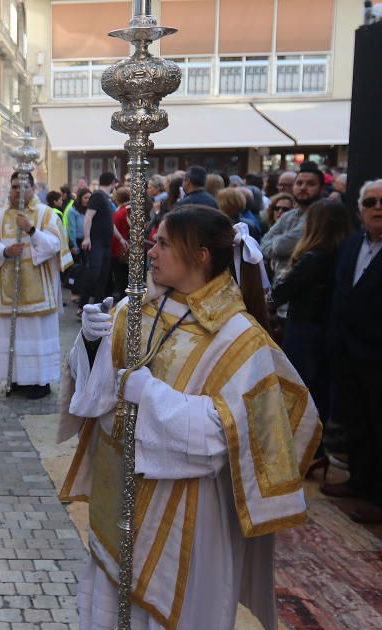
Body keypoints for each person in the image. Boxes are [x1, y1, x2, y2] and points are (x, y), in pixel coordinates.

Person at [61, 205, 319, 630]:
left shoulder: (239, 337)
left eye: (163, 243)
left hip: (186, 508)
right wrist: (91, 344)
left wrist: (151, 394)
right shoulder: (137, 307)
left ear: (200, 255)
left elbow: (226, 431)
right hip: (118, 496)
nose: (151, 251)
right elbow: (98, 397)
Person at [271, 199, 350, 477]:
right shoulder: (344, 254)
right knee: (319, 391)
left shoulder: (314, 257)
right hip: (327, 329)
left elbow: (284, 290)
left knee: (301, 391)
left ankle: (306, 451)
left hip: (305, 329)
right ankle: (315, 450)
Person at [322, 179, 382, 524]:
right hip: (348, 353)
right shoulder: (350, 245)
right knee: (356, 420)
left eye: (381, 202)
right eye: (370, 202)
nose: (377, 208)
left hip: (378, 355)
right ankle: (359, 481)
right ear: (359, 211)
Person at [0, 172, 73, 400]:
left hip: (39, 293)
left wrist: (32, 231)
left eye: (23, 187)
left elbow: (55, 245)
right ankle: (15, 379)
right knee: (12, 336)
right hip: (8, 292)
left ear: (33, 188)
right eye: (14, 187)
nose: (18, 192)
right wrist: (5, 251)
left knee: (35, 338)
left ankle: (40, 382)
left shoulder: (45, 214)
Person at [261, 163, 324, 280]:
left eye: (311, 184)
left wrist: (276, 243)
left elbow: (282, 246)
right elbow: (263, 244)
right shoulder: (288, 215)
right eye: (299, 183)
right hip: (279, 284)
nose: (303, 187)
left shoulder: (320, 216)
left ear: (321, 188)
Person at [80, 173, 117, 310]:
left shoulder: (106, 198)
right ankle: (82, 305)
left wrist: (120, 239)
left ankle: (98, 306)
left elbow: (110, 223)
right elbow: (88, 217)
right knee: (94, 273)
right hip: (96, 242)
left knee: (103, 275)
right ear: (113, 183)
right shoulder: (97, 196)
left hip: (105, 244)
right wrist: (87, 237)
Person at [109, 187, 131, 299]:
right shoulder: (130, 209)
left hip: (120, 248)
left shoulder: (120, 212)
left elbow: (114, 232)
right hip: (128, 247)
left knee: (121, 276)